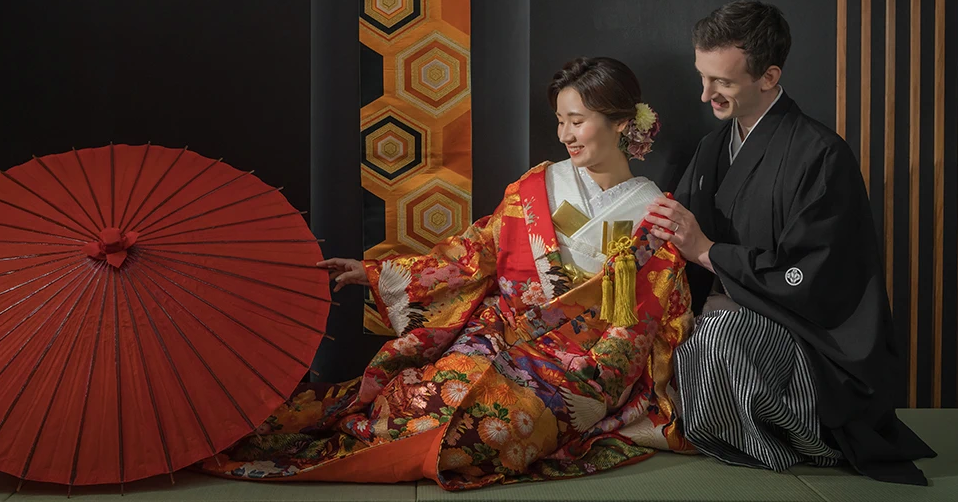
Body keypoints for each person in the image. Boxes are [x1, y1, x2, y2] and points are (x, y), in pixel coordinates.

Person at [200, 57, 695, 490]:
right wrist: (377, 273)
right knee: (418, 402)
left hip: (577, 358)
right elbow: (473, 253)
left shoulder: (653, 215)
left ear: (621, 122)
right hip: (500, 328)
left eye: (578, 121)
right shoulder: (537, 184)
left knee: (493, 430)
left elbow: (641, 323)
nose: (565, 135)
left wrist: (595, 373)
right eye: (560, 121)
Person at [644, 0, 935, 485]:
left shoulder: (821, 155)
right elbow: (681, 242)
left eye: (721, 82)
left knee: (717, 337)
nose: (705, 95)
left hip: (810, 342)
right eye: (703, 77)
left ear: (769, 77)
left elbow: (813, 276)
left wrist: (709, 252)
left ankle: (789, 442)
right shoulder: (714, 147)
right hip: (721, 312)